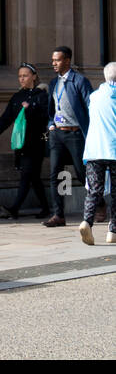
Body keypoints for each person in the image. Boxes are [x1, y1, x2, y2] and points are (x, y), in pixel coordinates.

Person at [0, 63, 50, 219]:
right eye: (20, 76)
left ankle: (14, 208)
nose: (22, 79)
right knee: (33, 177)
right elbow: (7, 117)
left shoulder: (41, 95)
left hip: (36, 143)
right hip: (21, 143)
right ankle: (45, 208)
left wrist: (31, 108)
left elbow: (46, 117)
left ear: (34, 77)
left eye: (25, 76)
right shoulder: (17, 97)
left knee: (26, 174)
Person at [43, 46, 94, 227]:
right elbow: (51, 109)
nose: (53, 63)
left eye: (57, 60)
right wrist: (50, 124)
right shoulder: (53, 83)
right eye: (53, 60)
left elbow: (90, 106)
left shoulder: (79, 81)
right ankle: (59, 215)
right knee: (55, 174)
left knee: (82, 173)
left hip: (75, 134)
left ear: (67, 60)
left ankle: (99, 204)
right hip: (57, 134)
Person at [79, 62, 116, 245]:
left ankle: (87, 221)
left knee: (94, 190)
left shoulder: (94, 96)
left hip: (94, 150)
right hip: (114, 149)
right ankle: (113, 231)